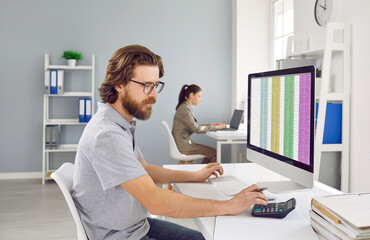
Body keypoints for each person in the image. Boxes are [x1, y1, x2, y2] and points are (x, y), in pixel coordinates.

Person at [71, 45, 267, 240]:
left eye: (156, 85)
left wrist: (194, 176)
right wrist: (229, 206)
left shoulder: (120, 124)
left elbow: (144, 170)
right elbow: (156, 202)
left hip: (136, 226)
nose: (155, 95)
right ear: (119, 84)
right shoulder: (107, 135)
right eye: (147, 85)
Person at [172, 84, 227, 164]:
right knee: (214, 153)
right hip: (184, 147)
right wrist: (216, 128)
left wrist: (212, 125)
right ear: (192, 95)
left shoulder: (185, 107)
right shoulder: (185, 110)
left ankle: (201, 173)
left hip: (183, 144)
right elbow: (197, 129)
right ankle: (201, 174)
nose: (200, 99)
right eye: (199, 96)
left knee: (213, 153)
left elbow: (195, 126)